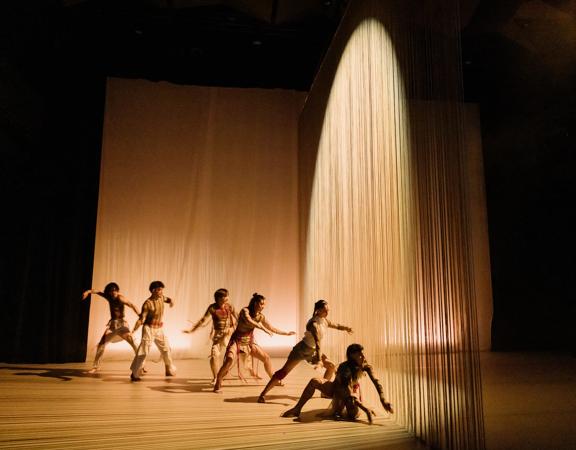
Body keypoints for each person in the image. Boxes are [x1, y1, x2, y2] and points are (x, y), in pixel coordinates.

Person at [258, 299, 352, 403]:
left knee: (331, 366)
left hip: (312, 351)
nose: (327, 313)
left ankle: (324, 392)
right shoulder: (313, 324)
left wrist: (346, 328)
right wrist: (319, 360)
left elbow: (337, 325)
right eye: (325, 311)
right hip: (301, 350)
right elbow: (317, 342)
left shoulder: (324, 321)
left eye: (328, 310)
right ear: (318, 310)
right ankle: (262, 394)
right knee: (283, 373)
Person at [281, 343, 393, 424]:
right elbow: (344, 388)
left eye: (363, 354)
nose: (363, 357)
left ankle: (347, 407)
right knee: (314, 381)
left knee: (353, 415)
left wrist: (383, 400)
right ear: (351, 356)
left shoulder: (366, 366)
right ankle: (297, 409)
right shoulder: (344, 367)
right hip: (337, 389)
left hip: (352, 390)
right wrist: (364, 408)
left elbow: (376, 382)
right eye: (360, 355)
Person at [213, 293, 296, 392]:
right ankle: (218, 382)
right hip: (236, 341)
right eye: (261, 304)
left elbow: (272, 328)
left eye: (264, 304)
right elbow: (249, 321)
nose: (263, 307)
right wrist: (262, 328)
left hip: (248, 343)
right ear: (255, 303)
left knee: (266, 358)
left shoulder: (260, 317)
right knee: (229, 360)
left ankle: (274, 380)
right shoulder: (245, 311)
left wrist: (286, 333)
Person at [82, 282, 140, 373]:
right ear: (109, 292)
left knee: (133, 342)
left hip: (122, 325)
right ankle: (96, 367)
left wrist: (140, 315)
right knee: (101, 344)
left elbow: (132, 305)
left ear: (117, 291)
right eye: (112, 291)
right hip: (113, 326)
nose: (114, 293)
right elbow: (98, 292)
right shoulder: (108, 297)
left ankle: (141, 364)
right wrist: (88, 292)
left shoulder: (121, 298)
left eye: (115, 291)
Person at [183, 288, 238, 383]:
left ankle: (225, 372)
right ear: (218, 298)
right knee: (214, 355)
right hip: (218, 335)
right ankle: (216, 377)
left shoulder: (229, 307)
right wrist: (192, 330)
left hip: (229, 334)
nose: (227, 298)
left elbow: (238, 318)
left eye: (227, 296)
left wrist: (233, 329)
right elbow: (203, 320)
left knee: (233, 356)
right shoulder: (212, 308)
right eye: (225, 296)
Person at [129, 281, 177, 381]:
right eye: (159, 289)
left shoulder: (162, 297)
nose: (161, 291)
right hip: (149, 329)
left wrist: (172, 301)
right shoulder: (147, 304)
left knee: (166, 349)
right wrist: (133, 330)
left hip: (159, 328)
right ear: (153, 290)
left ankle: (168, 369)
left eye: (162, 289)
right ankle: (134, 373)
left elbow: (168, 299)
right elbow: (141, 319)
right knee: (144, 351)